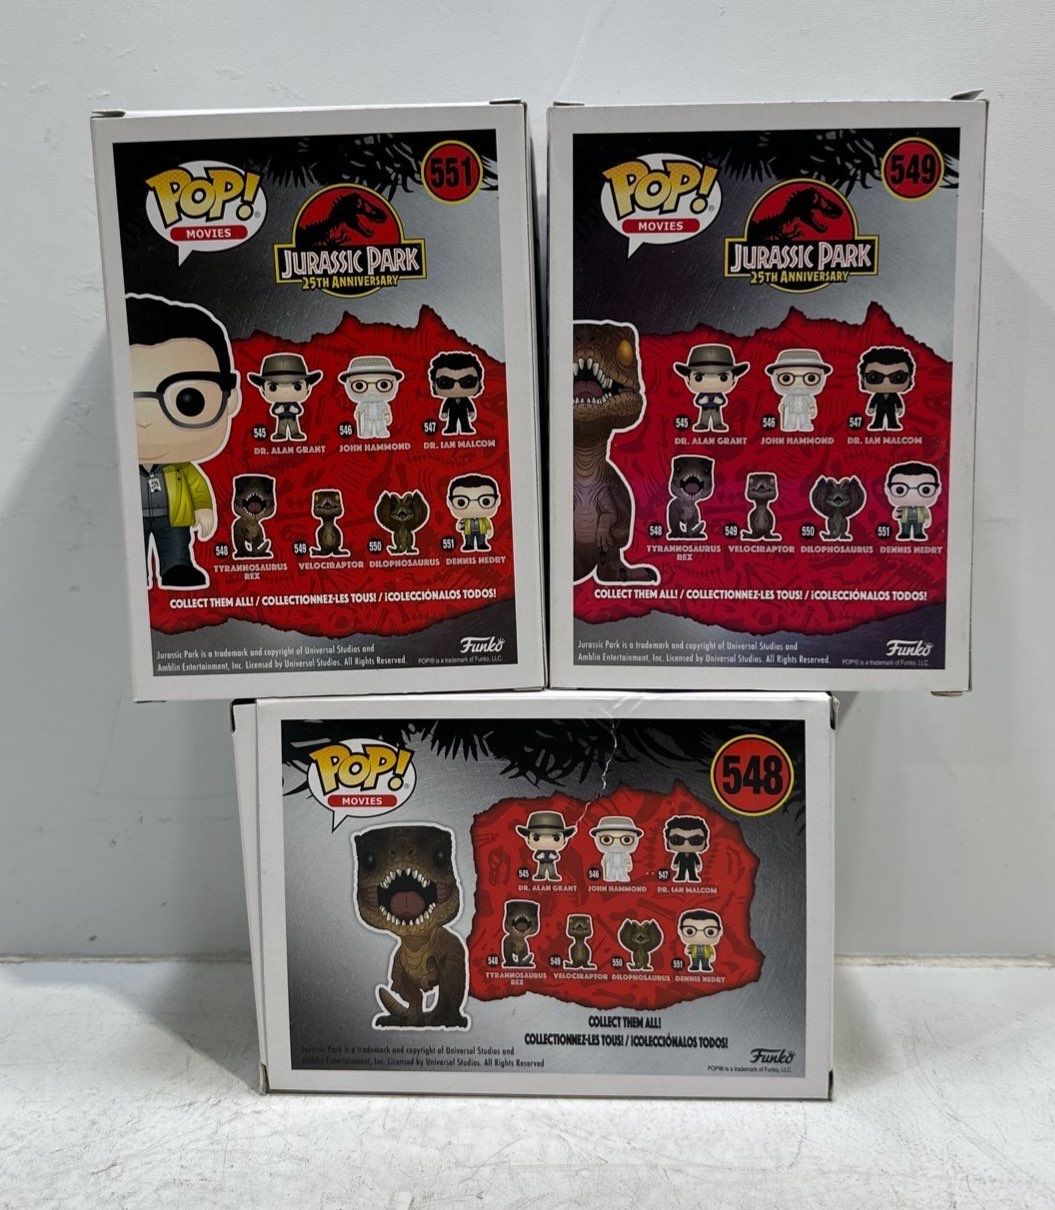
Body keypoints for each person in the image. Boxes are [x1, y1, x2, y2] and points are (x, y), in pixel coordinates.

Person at [127, 293, 241, 589]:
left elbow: (197, 486)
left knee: (176, 546)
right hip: (130, 518)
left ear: (231, 399)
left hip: (174, 516)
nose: (144, 421)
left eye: (188, 400)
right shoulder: (120, 472)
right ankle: (133, 573)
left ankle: (176, 567)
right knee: (131, 551)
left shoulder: (181, 468)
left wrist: (204, 509)